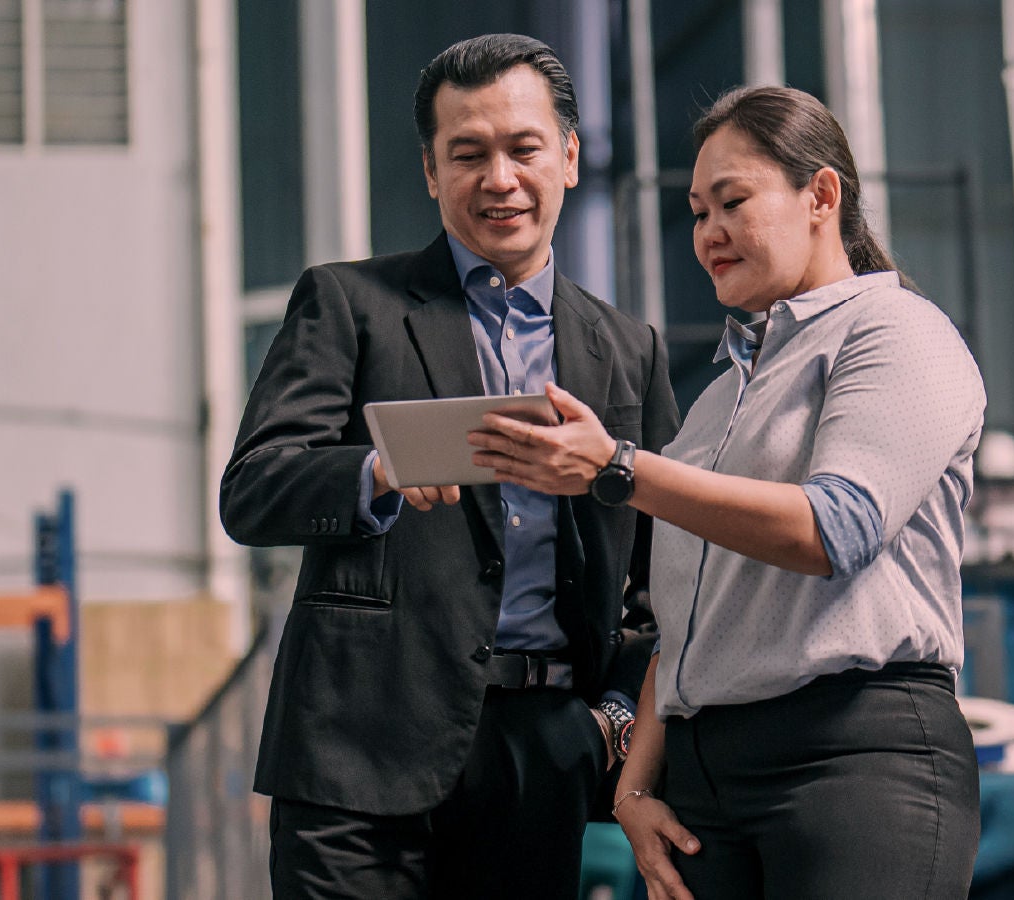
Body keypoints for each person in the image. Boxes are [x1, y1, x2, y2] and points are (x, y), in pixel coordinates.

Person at [470, 84, 985, 899]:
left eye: (732, 203)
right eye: (698, 212)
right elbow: (681, 630)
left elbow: (833, 529)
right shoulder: (717, 404)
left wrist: (618, 468)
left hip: (851, 759)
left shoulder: (895, 332)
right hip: (704, 785)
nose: (708, 232)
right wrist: (633, 788)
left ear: (822, 196)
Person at [219, 33, 680, 899]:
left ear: (569, 157)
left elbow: (665, 579)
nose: (499, 179)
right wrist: (376, 474)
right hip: (356, 751)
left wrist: (611, 722)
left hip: (542, 757)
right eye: (467, 155)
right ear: (432, 173)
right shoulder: (350, 305)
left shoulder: (629, 350)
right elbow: (252, 489)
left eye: (523, 149)